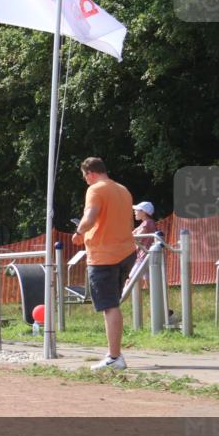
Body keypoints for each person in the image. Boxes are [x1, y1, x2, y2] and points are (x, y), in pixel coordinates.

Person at [74, 157, 136, 371]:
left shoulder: (95, 189)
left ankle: (114, 356)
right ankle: (114, 354)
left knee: (109, 306)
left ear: (90, 173)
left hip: (104, 255)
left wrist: (79, 232)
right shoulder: (123, 190)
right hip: (126, 252)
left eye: (85, 177)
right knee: (113, 303)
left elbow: (90, 218)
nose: (86, 181)